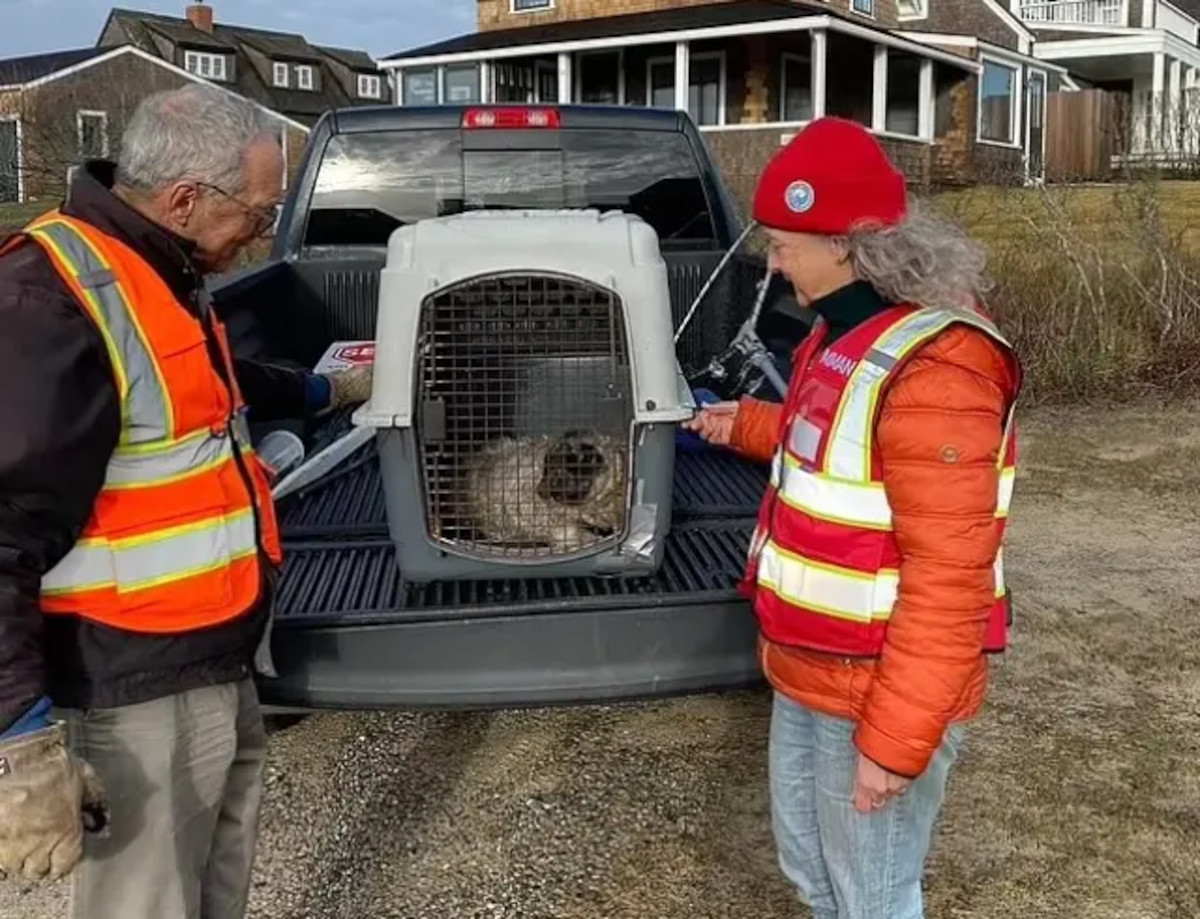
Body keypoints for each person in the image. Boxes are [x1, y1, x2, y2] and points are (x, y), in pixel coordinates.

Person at [0, 84, 370, 917]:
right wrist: (20, 740)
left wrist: (321, 388)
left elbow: (199, 396)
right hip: (130, 682)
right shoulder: (49, 303)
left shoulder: (159, 265)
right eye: (259, 213)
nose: (262, 235)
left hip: (210, 654)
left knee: (213, 884)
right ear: (185, 199)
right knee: (148, 900)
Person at [685, 117, 1021, 919]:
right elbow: (836, 441)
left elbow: (949, 580)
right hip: (809, 668)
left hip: (873, 687)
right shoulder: (841, 333)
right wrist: (747, 424)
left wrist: (894, 744)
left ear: (844, 243)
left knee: (871, 897)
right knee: (815, 873)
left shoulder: (939, 369)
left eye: (781, 242)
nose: (771, 259)